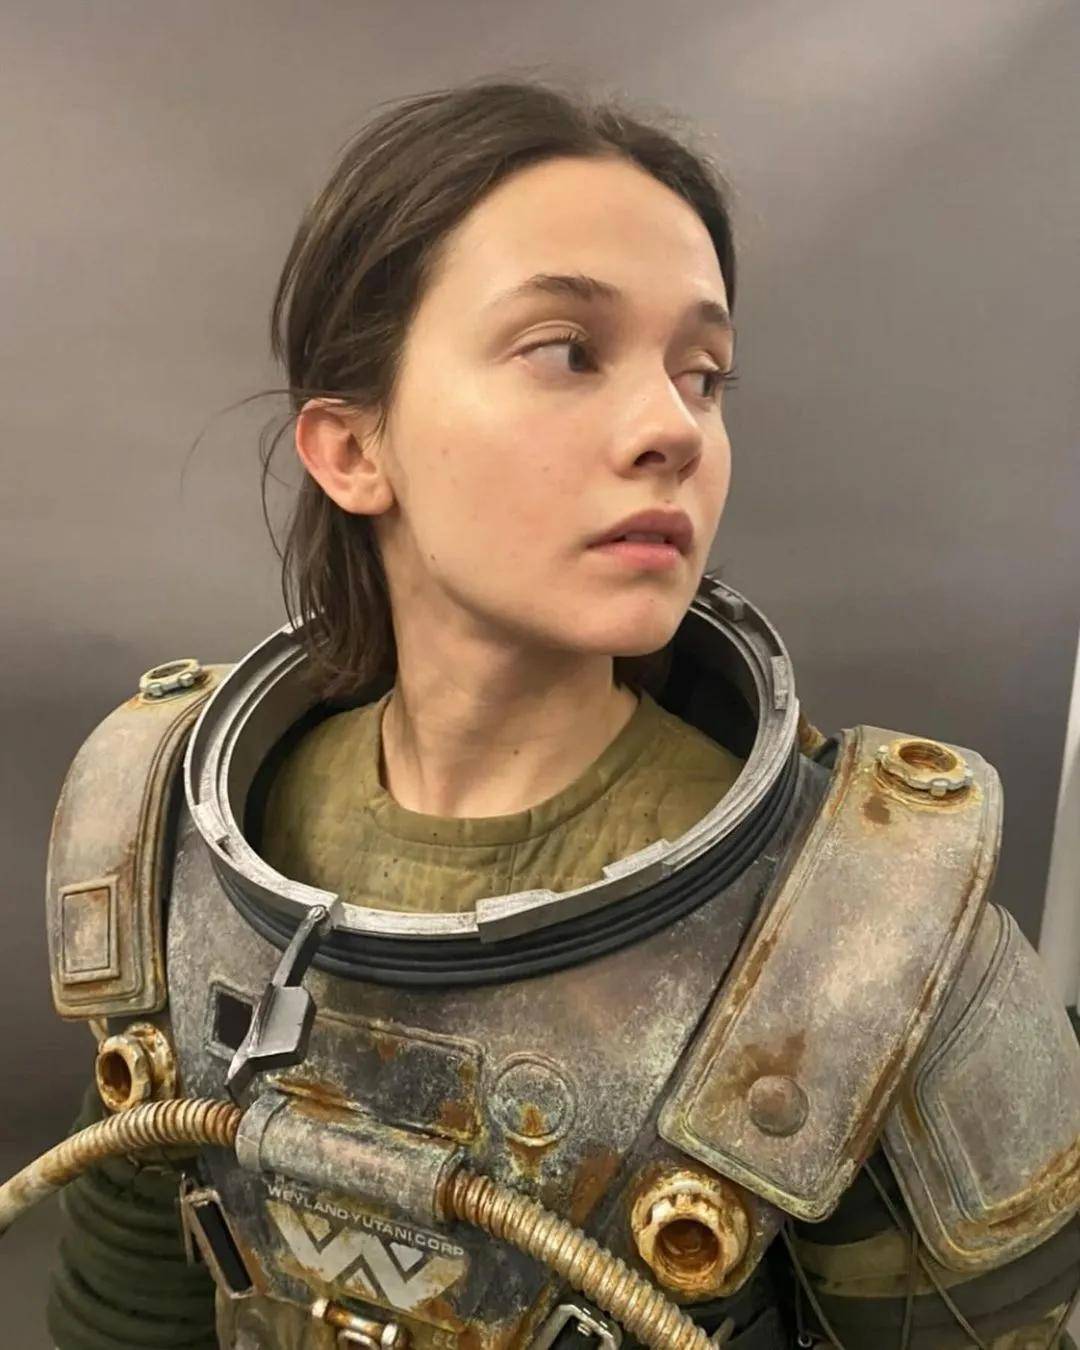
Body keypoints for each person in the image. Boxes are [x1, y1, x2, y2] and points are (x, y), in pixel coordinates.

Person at [39, 77, 1080, 1350]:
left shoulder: (865, 940)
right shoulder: (163, 848)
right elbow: (127, 1315)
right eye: (567, 351)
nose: (672, 429)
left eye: (703, 375)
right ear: (353, 449)